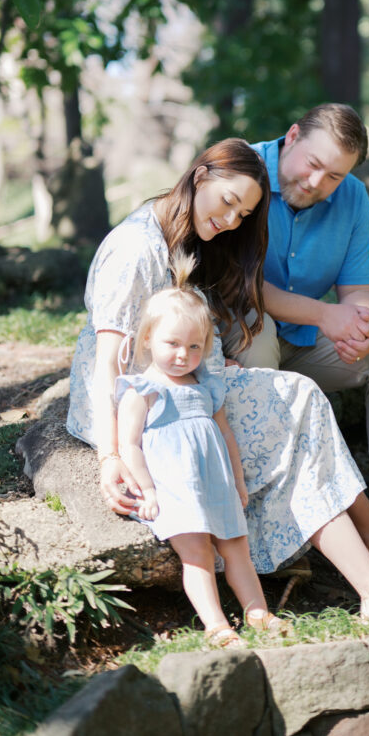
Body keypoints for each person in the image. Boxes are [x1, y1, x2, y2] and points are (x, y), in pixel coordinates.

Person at [68, 138, 369, 628]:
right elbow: (108, 366)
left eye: (244, 214)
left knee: (299, 397)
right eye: (228, 203)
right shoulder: (135, 247)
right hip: (139, 402)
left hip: (184, 379)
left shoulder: (190, 234)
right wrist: (111, 456)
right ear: (200, 175)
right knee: (295, 405)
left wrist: (217, 364)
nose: (231, 222)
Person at [232, 104, 369, 541]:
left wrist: (357, 329)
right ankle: (265, 508)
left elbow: (359, 292)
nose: (317, 183)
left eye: (334, 175)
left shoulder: (353, 197)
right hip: (233, 340)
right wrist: (326, 316)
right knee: (257, 331)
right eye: (313, 164)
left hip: (301, 341)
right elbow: (240, 286)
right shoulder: (242, 169)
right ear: (293, 135)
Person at [116, 256, 289, 648]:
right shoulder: (142, 389)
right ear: (148, 340)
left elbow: (225, 434)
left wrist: (239, 480)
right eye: (172, 344)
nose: (183, 355)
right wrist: (148, 490)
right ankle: (216, 626)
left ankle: (258, 612)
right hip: (175, 489)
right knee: (197, 554)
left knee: (236, 549)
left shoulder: (207, 385)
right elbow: (129, 444)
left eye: (195, 346)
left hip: (217, 484)